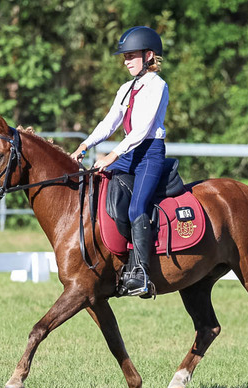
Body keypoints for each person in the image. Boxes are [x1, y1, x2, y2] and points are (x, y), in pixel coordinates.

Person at [70, 26, 168, 297]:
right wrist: (85, 144)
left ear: (149, 56)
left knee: (137, 208)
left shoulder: (157, 86)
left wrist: (113, 155)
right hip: (129, 153)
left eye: (131, 56)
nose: (126, 62)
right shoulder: (126, 88)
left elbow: (142, 130)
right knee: (94, 180)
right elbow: (109, 122)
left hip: (149, 154)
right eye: (124, 57)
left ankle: (142, 274)